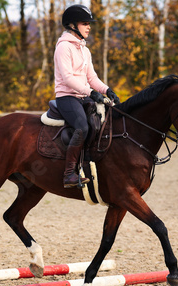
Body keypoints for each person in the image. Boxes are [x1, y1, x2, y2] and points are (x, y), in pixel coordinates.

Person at [54, 4, 120, 188]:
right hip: (67, 97)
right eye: (85, 23)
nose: (89, 27)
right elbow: (67, 78)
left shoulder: (84, 49)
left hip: (83, 96)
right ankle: (69, 175)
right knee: (82, 127)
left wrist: (107, 90)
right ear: (72, 25)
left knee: (105, 120)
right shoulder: (63, 47)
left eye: (89, 23)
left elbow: (92, 77)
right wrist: (91, 93)